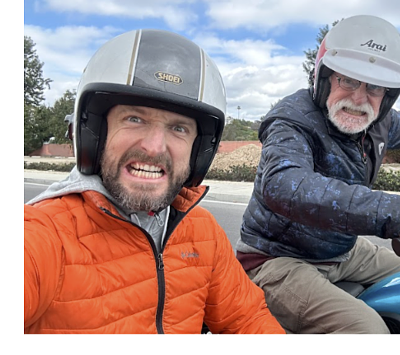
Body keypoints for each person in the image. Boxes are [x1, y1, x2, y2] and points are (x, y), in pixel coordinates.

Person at [24, 29, 283, 334]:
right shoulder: (44, 234)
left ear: (198, 152)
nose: (155, 147)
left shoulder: (202, 232)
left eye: (179, 128)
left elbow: (248, 320)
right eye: (135, 118)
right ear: (95, 132)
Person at [237, 14, 400, 334]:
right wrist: (399, 215)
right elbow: (285, 184)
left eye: (375, 87)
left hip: (343, 251)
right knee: (368, 331)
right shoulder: (292, 118)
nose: (359, 98)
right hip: (278, 259)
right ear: (324, 78)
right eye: (348, 80)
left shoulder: (380, 120)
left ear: (387, 95)